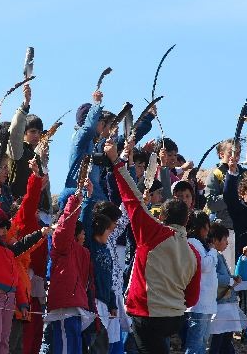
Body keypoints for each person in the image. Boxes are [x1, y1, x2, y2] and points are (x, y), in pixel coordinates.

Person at [105, 139, 201, 354]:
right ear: (186, 221)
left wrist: (115, 160)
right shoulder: (194, 252)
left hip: (146, 315)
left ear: (162, 217)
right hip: (175, 318)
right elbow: (192, 298)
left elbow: (131, 199)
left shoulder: (152, 232)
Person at [0, 181, 49, 354]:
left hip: (10, 297)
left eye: (4, 228)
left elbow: (17, 279)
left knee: (4, 339)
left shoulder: (9, 252)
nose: (2, 231)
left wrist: (23, 303)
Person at [45, 181, 93, 354]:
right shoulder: (62, 243)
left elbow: (85, 220)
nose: (85, 234)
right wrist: (76, 200)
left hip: (77, 307)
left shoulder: (82, 252)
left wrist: (87, 197)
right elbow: (65, 227)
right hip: (65, 308)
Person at [80, 199, 122, 353]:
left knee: (104, 343)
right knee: (94, 343)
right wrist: (87, 198)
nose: (111, 233)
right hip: (92, 301)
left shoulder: (106, 250)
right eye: (108, 230)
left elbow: (109, 279)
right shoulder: (90, 246)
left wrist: (112, 303)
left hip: (105, 302)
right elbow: (84, 220)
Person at [204, 139, 247, 269]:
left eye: (238, 152)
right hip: (223, 230)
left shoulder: (245, 174)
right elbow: (211, 203)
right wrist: (232, 196)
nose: (235, 156)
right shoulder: (216, 174)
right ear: (221, 154)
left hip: (242, 229)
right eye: (231, 153)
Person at [181, 211, 217, 354]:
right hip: (199, 303)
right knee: (196, 344)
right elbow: (204, 266)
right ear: (202, 227)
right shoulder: (192, 242)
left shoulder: (201, 245)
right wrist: (213, 251)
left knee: (202, 342)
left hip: (206, 301)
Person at [208, 223, 245, 354]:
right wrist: (230, 280)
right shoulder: (214, 256)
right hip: (221, 305)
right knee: (219, 340)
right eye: (224, 239)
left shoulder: (217, 255)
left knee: (224, 340)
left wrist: (232, 277)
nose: (227, 243)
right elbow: (213, 276)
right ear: (215, 240)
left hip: (226, 304)